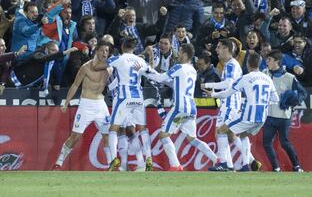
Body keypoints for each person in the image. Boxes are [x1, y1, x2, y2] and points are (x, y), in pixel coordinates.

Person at [136, 43, 218, 171]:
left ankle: (175, 165)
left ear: (185, 54)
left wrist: (144, 70)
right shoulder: (192, 70)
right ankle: (216, 159)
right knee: (192, 138)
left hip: (180, 108)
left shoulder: (179, 67)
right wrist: (151, 72)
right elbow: (171, 83)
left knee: (164, 135)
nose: (177, 54)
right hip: (191, 108)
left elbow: (160, 78)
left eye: (179, 52)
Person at [204, 51, 279, 171]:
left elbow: (227, 93)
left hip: (248, 115)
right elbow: (275, 99)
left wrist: (213, 94)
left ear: (248, 64)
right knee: (243, 135)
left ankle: (223, 164)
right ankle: (246, 165)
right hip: (262, 117)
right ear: (259, 64)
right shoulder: (267, 78)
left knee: (221, 130)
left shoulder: (245, 78)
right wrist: (262, 103)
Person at [52, 40, 113, 170]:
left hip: (101, 105)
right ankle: (59, 162)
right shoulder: (86, 67)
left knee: (107, 135)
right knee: (75, 136)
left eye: (107, 51)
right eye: (102, 50)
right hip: (86, 104)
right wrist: (66, 102)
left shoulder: (110, 68)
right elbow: (75, 85)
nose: (104, 53)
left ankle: (111, 165)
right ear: (96, 51)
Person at [106, 37, 152, 172]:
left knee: (115, 129)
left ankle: (115, 159)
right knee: (140, 129)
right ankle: (147, 158)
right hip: (138, 98)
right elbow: (151, 72)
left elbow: (105, 65)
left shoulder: (118, 59)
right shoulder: (140, 60)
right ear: (134, 48)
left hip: (123, 98)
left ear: (122, 47)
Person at [262, 50, 307, 172]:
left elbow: (303, 93)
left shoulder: (289, 77)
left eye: (270, 59)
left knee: (284, 143)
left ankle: (297, 166)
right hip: (269, 116)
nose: (267, 61)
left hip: (284, 116)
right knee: (266, 142)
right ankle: (276, 168)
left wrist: (293, 101)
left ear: (277, 61)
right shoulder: (264, 74)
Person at [201, 39, 242, 170]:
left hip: (230, 103)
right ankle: (235, 164)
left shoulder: (230, 65)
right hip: (229, 102)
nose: (216, 50)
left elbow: (228, 84)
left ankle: (224, 164)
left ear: (226, 49)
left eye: (219, 47)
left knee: (220, 132)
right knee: (227, 134)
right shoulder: (230, 65)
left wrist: (208, 85)